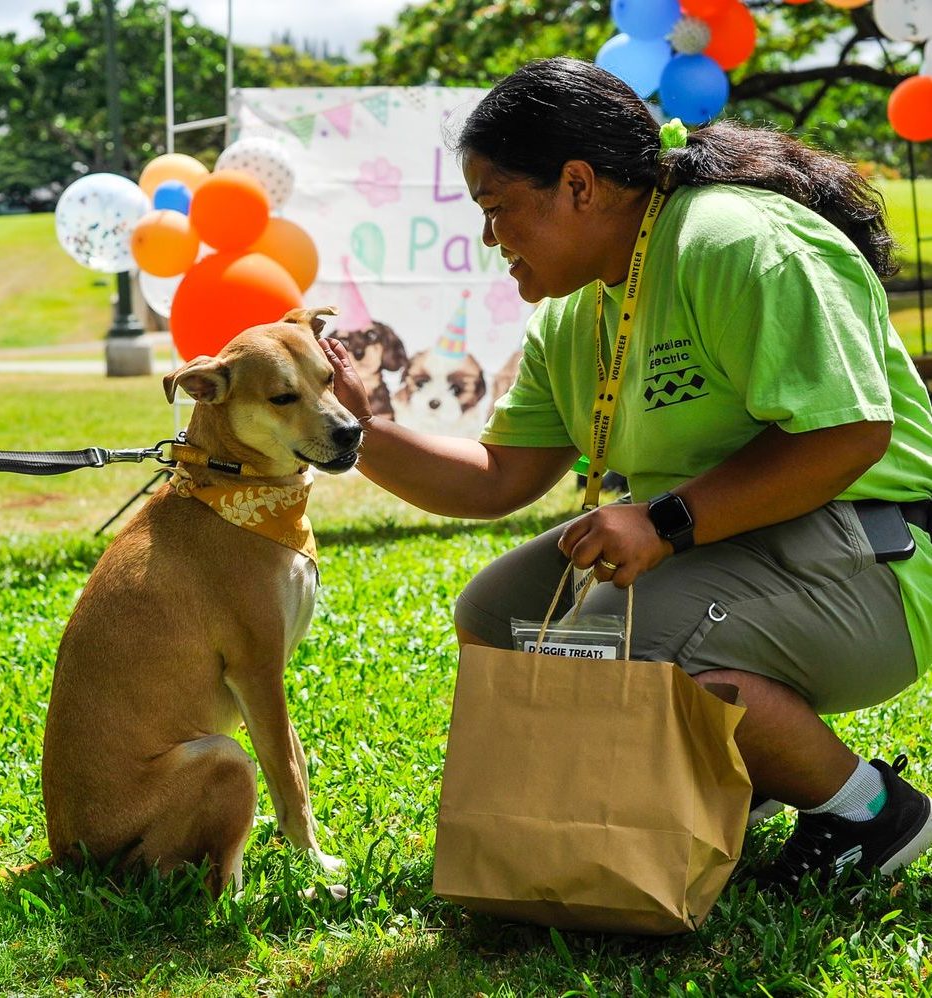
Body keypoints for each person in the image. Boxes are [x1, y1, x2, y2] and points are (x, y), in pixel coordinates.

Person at [321, 56, 932, 894]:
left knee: (607, 641)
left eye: (498, 209)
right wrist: (353, 429)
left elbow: (851, 436)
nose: (490, 239)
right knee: (498, 617)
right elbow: (497, 478)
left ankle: (865, 810)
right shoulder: (579, 309)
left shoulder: (737, 242)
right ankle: (722, 776)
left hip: (877, 556)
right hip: (742, 541)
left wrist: (665, 522)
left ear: (578, 184)